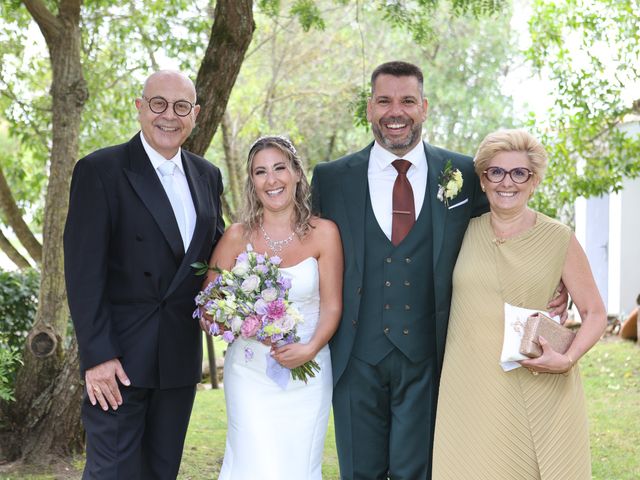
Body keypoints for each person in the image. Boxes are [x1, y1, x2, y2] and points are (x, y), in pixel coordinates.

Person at [312, 60, 494, 479]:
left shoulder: (463, 173)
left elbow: (497, 236)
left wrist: (547, 281)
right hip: (356, 357)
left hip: (430, 358)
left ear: (424, 107)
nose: (396, 112)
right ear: (370, 109)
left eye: (407, 101)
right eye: (384, 101)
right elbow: (304, 247)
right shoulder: (332, 178)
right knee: (359, 473)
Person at [64, 70, 225, 479]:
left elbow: (218, 256)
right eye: (158, 104)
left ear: (195, 114)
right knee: (112, 472)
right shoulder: (100, 170)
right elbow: (83, 272)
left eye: (181, 107)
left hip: (177, 359)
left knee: (161, 472)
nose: (168, 115)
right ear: (140, 107)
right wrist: (98, 356)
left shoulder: (207, 175)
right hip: (118, 361)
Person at [432, 129, 607, 479]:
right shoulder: (459, 230)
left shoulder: (558, 237)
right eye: (496, 172)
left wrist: (567, 359)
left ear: (534, 180)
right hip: (469, 386)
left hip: (539, 382)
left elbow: (595, 313)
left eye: (519, 173)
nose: (506, 182)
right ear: (482, 180)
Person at [200, 136, 343, 479]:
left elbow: (333, 306)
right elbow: (208, 307)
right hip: (249, 374)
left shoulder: (325, 233)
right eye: (260, 172)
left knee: (298, 466)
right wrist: (243, 323)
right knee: (251, 463)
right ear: (252, 182)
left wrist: (309, 348)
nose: (272, 180)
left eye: (280, 168)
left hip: (309, 371)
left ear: (296, 173)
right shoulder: (236, 236)